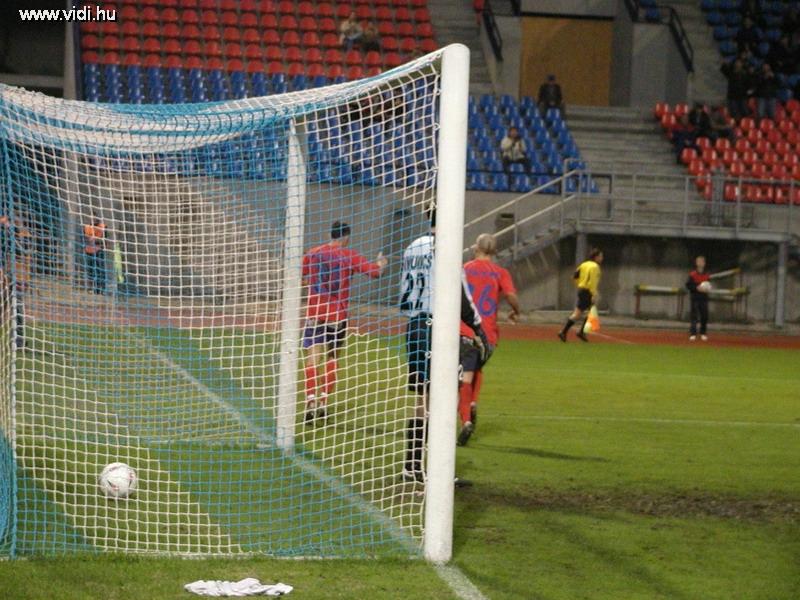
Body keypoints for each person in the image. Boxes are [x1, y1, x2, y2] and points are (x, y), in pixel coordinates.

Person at [400, 210, 488, 483]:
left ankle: (412, 465)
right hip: (436, 329)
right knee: (447, 396)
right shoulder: (446, 248)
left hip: (414, 326)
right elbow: (460, 293)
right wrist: (478, 328)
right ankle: (441, 471)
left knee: (423, 399)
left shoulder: (412, 247)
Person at [301, 221, 387, 424]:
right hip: (337, 316)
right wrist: (382, 262)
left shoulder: (313, 253)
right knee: (332, 356)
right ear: (346, 237)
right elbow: (375, 272)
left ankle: (310, 401)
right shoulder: (349, 255)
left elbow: (302, 277)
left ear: (330, 235)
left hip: (315, 312)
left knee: (312, 358)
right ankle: (323, 402)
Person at [457, 233, 520, 446]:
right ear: (494, 251)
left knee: (462, 379)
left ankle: (466, 419)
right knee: (476, 369)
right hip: (489, 336)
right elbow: (511, 295)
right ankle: (473, 402)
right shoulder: (500, 272)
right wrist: (516, 311)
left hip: (465, 331)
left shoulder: (464, 269)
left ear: (476, 248)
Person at [558, 248, 603, 343]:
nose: (601, 258)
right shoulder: (595, 267)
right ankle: (577, 332)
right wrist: (593, 294)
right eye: (600, 256)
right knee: (589, 313)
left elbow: (574, 276)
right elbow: (593, 282)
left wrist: (580, 284)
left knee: (580, 313)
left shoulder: (584, 264)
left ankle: (567, 332)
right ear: (596, 257)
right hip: (588, 291)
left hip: (581, 290)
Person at [686, 255, 710, 341]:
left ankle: (703, 333)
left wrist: (706, 289)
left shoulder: (707, 275)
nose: (700, 263)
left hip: (704, 298)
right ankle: (693, 333)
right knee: (694, 316)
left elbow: (708, 285)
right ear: (696, 263)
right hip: (695, 298)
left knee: (704, 316)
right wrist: (696, 288)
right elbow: (688, 285)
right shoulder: (692, 274)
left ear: (704, 263)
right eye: (698, 261)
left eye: (701, 262)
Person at [83, 216, 107, 294]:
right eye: (92, 219)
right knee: (90, 271)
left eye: (95, 219)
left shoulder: (102, 227)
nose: (93, 220)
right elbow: (83, 239)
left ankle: (102, 289)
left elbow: (105, 240)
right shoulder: (86, 227)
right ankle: (92, 288)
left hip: (98, 251)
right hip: (88, 251)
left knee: (100, 270)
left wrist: (96, 239)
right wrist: (88, 240)